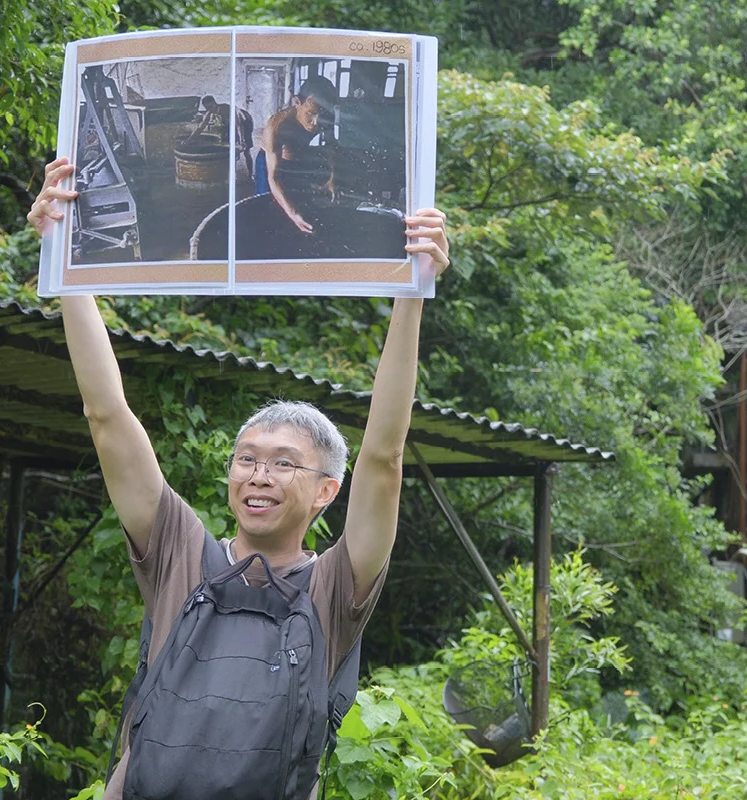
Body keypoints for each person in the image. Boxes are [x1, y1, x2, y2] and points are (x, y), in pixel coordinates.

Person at [27, 157, 449, 800]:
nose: (258, 474)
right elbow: (107, 415)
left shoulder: (335, 587)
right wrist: (63, 260)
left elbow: (384, 457)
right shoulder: (179, 553)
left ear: (326, 491)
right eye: (247, 458)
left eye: (284, 463)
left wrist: (411, 289)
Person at [254, 76, 340, 234]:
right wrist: (293, 214)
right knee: (267, 203)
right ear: (297, 102)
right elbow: (273, 178)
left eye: (322, 115)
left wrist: (331, 180)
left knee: (295, 199)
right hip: (268, 162)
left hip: (297, 155)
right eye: (310, 114)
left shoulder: (325, 117)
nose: (315, 123)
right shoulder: (276, 126)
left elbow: (331, 148)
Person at [186, 95, 256, 178]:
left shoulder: (229, 110)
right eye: (207, 108)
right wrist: (189, 140)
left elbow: (239, 126)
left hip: (244, 122)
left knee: (246, 150)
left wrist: (242, 141)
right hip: (231, 125)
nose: (210, 110)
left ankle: (250, 175)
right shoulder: (210, 112)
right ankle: (232, 176)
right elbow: (200, 128)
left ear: (215, 104)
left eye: (211, 107)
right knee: (232, 150)